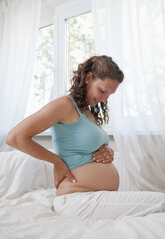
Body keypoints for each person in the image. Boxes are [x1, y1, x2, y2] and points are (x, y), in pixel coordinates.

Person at [6, 55, 126, 219]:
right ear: (89, 78)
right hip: (75, 200)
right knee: (160, 203)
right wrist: (57, 162)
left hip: (91, 196)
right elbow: (15, 137)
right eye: (103, 91)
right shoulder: (65, 105)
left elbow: (86, 146)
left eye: (109, 95)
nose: (104, 100)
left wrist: (109, 151)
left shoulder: (87, 112)